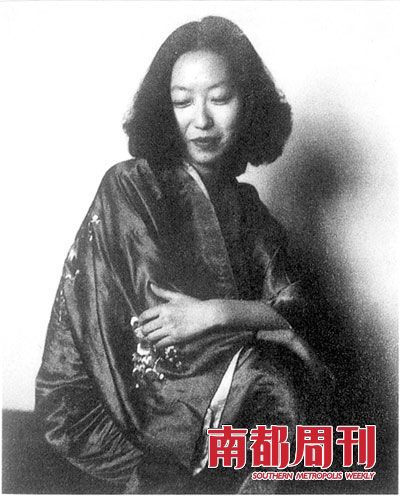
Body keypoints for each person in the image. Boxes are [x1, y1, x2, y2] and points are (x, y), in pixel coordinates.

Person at [36, 16, 330, 494]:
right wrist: (262, 324)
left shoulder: (251, 213)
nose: (202, 119)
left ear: (249, 103)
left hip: (229, 407)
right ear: (164, 108)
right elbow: (160, 321)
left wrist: (216, 313)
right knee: (269, 375)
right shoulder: (130, 186)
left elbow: (302, 311)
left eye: (220, 98)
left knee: (283, 383)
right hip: (128, 407)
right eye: (182, 101)